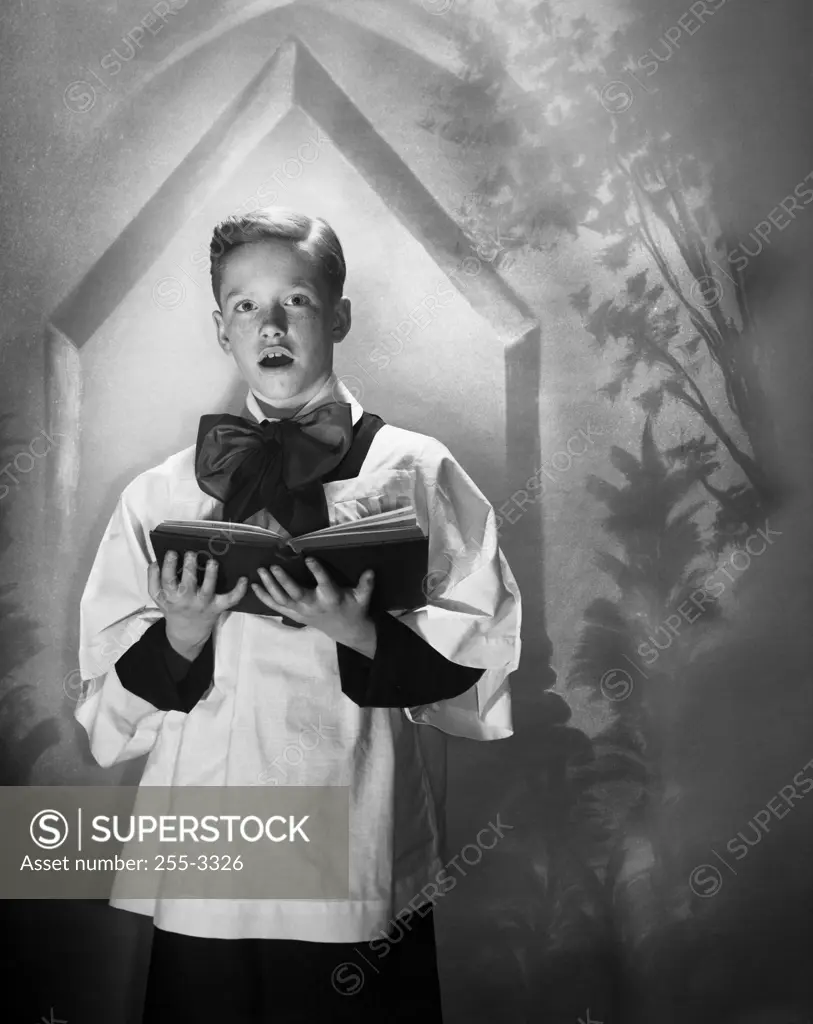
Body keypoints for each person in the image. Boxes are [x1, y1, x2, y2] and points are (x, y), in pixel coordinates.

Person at [74, 206, 522, 1022]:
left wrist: (360, 633)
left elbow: (484, 645)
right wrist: (181, 633)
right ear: (221, 327)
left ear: (339, 313)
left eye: (297, 300)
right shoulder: (161, 493)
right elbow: (105, 700)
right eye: (245, 305)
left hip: (354, 832)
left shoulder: (417, 469)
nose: (270, 323)